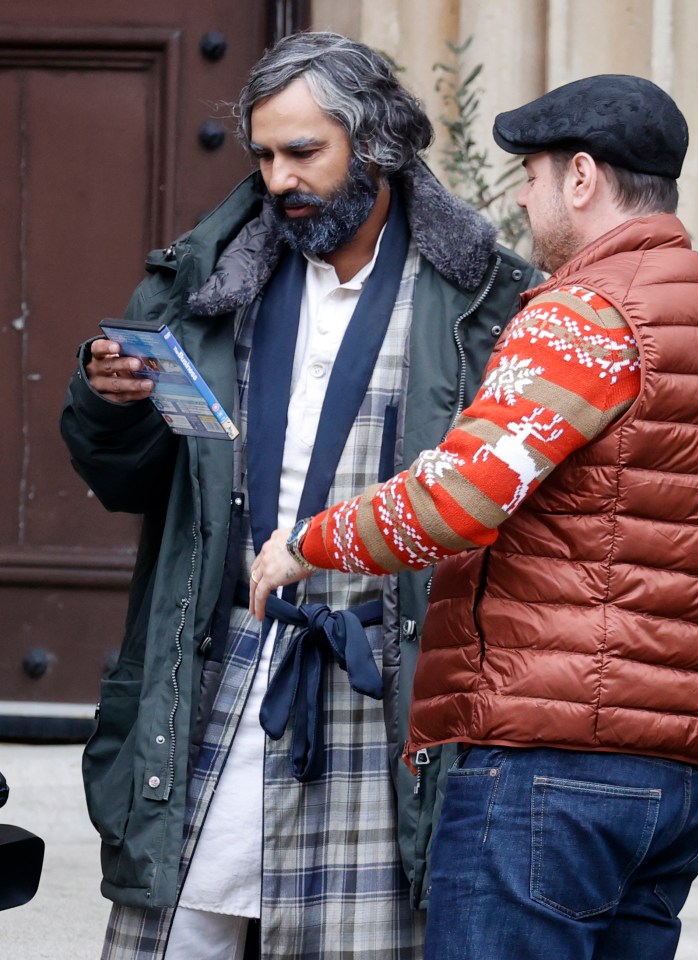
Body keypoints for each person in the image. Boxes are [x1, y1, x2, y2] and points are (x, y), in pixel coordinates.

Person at [250, 74, 698, 960]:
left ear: (581, 177)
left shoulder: (589, 311)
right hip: (681, 774)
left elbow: (456, 499)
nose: (523, 202)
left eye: (529, 177)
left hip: (556, 761)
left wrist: (301, 547)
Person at [60, 31, 539, 960]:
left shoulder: (480, 298)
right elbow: (123, 479)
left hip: (378, 688)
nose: (280, 179)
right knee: (181, 937)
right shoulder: (208, 283)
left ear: (379, 145)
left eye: (304, 152)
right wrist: (107, 401)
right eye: (265, 156)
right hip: (214, 669)